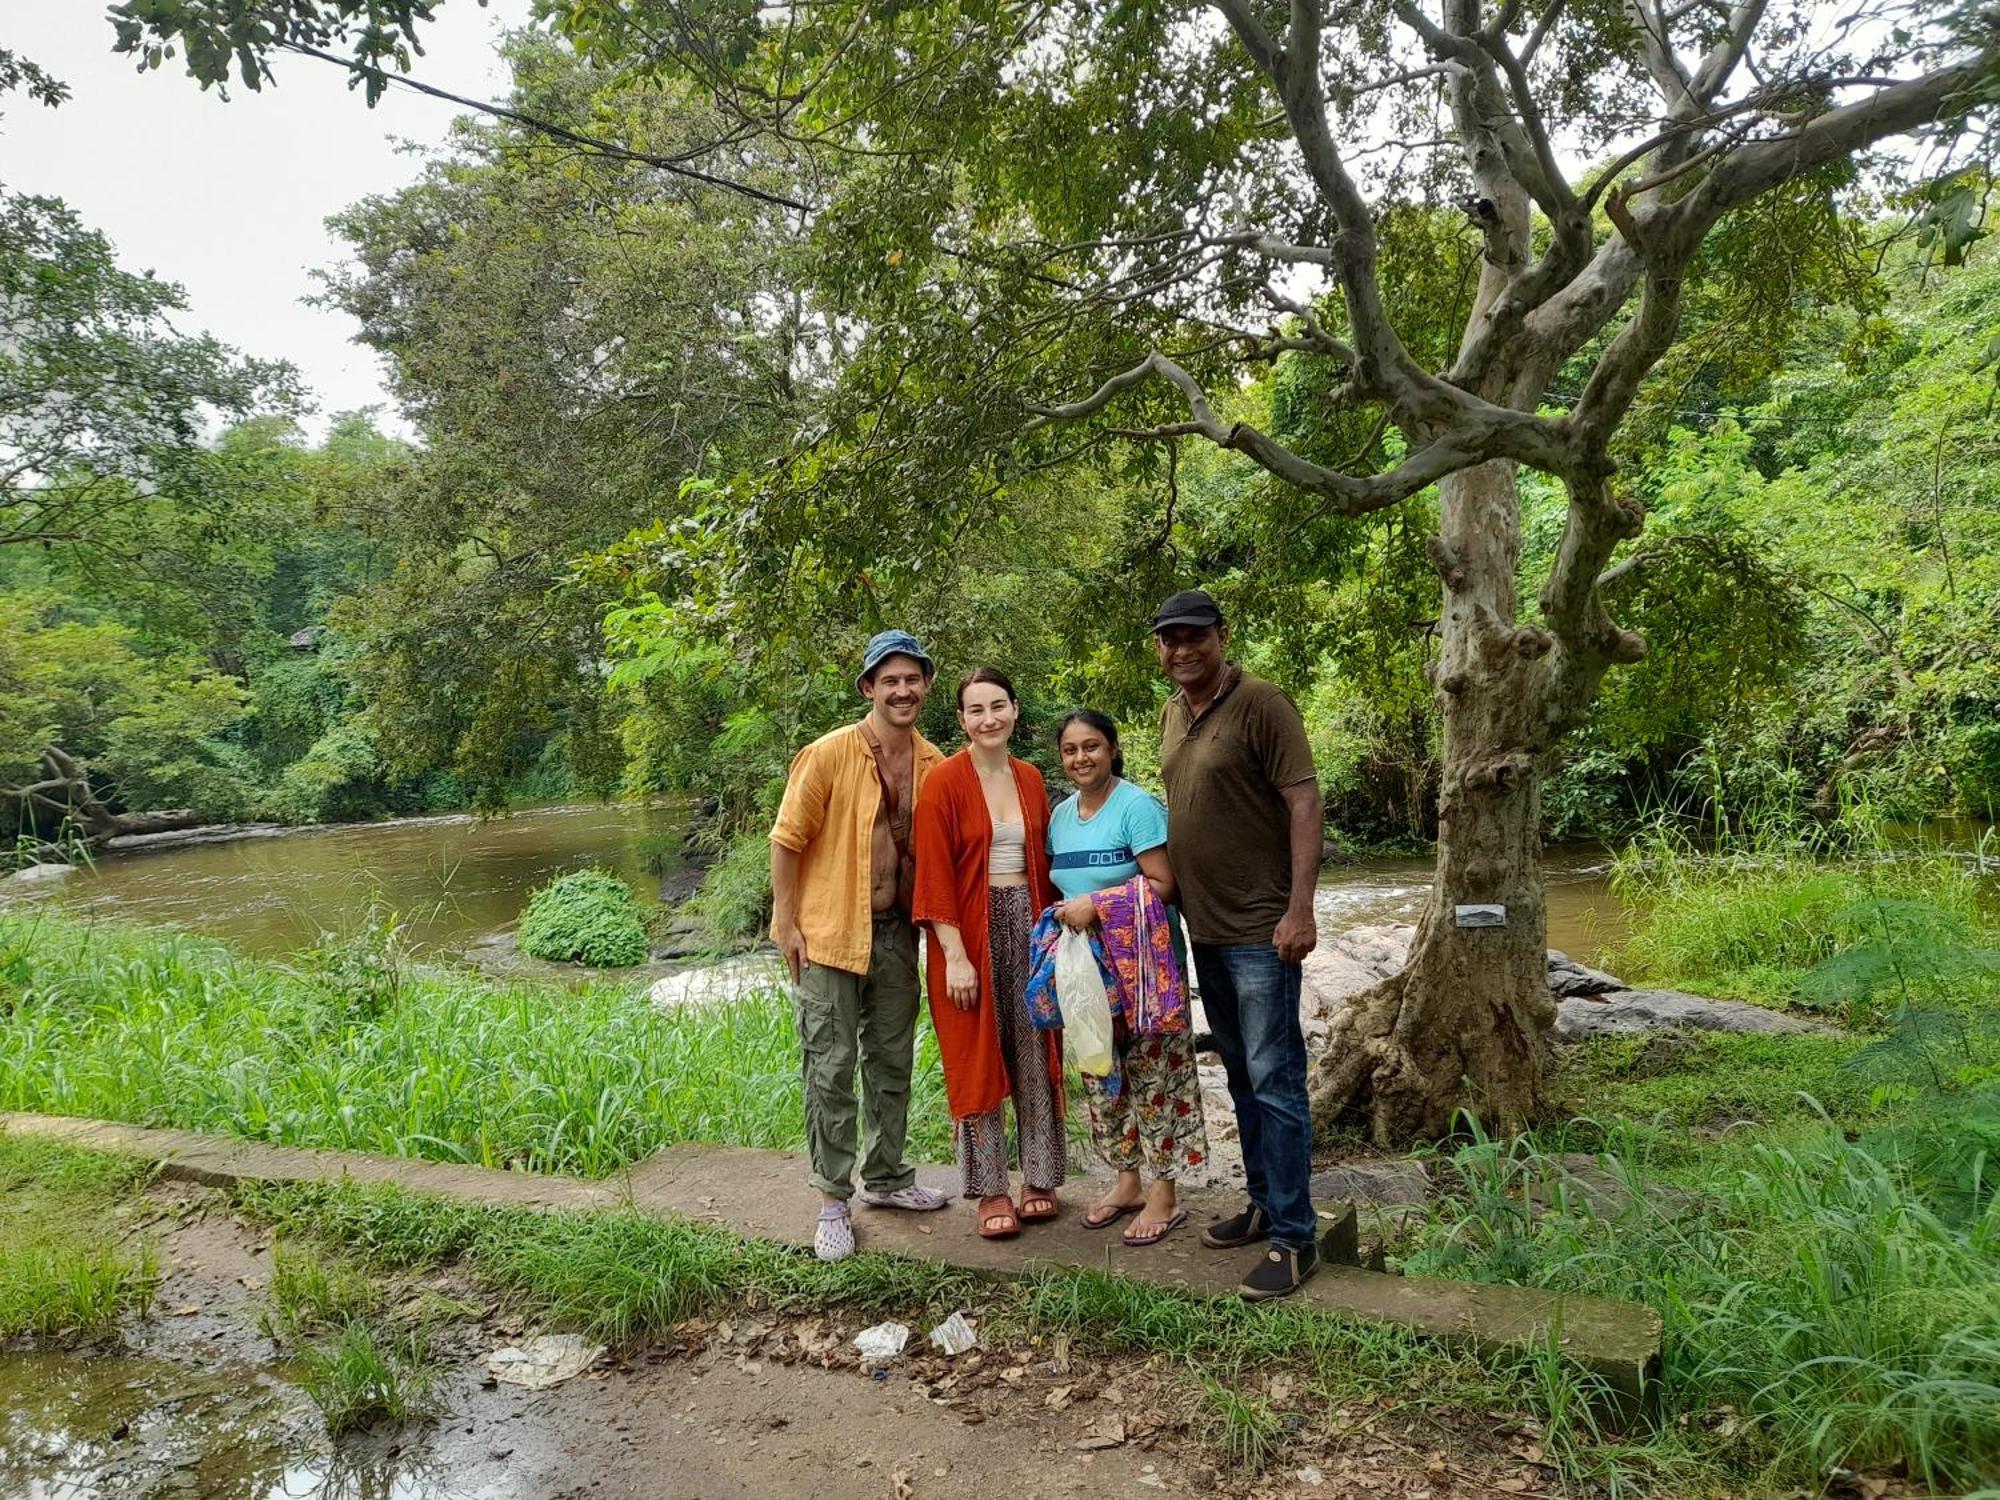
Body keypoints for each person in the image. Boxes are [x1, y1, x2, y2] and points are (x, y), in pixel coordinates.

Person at [1152, 588, 1325, 1300]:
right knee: (1241, 1077)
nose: (1183, 650)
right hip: (1207, 927)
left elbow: (1305, 801)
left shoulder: (1263, 704)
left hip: (1261, 928)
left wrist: (1300, 910)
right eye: (1170, 640)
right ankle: (1262, 1204)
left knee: (1276, 1081)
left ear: (1222, 637)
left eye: (1195, 637)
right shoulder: (1174, 711)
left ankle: (1296, 1239)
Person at [770, 629, 954, 1262]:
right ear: (868, 688)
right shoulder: (826, 754)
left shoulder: (935, 764)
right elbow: (787, 839)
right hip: (828, 934)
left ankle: (887, 1179)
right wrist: (785, 922)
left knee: (891, 1061)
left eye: (913, 679)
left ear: (926, 686)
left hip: (899, 934)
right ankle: (831, 1201)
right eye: (889, 680)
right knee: (828, 1068)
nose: (902, 690)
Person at [912, 667, 1066, 1240]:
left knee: (1034, 1044)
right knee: (977, 1056)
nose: (989, 719)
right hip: (967, 934)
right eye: (976, 710)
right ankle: (990, 1189)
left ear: (1015, 711)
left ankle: (1040, 1177)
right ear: (961, 721)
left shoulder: (1029, 778)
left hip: (1028, 923)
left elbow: (1046, 862)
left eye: (998, 706)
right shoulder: (945, 783)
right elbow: (932, 876)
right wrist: (953, 954)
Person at [1047, 710, 1209, 1247]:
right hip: (1087, 969)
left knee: (1155, 1074)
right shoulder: (1060, 816)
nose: (1081, 758)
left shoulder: (1136, 806)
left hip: (1142, 965)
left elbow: (1165, 883)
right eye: (1070, 750)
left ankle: (1165, 1196)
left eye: (1091, 746)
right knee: (1102, 1070)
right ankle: (1127, 1183)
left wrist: (1099, 903)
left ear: (1113, 748)